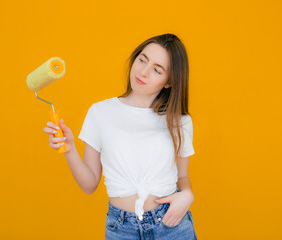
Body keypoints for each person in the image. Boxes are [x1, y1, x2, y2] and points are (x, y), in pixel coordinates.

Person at [43, 33, 197, 239]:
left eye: (157, 69)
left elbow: (182, 176)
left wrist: (187, 194)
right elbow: (89, 185)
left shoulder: (180, 121)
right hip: (121, 228)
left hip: (171, 224)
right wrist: (69, 149)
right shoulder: (100, 112)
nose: (143, 71)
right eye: (142, 59)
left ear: (169, 81)